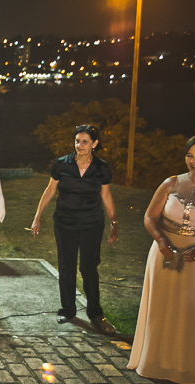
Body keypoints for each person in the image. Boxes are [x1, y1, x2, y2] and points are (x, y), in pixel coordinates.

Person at [128, 134, 195, 384]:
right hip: (165, 253)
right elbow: (149, 216)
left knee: (191, 310)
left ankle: (186, 368)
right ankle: (154, 362)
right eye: (189, 155)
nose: (193, 160)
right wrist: (161, 240)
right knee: (161, 308)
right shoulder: (171, 183)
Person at [31, 124, 118, 333]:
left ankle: (95, 313)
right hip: (64, 222)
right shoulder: (62, 164)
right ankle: (67, 310)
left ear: (94, 144)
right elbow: (50, 190)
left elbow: (106, 195)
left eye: (85, 141)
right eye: (77, 141)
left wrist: (114, 222)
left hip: (91, 223)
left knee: (89, 267)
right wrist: (37, 217)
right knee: (66, 266)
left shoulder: (101, 168)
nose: (79, 145)